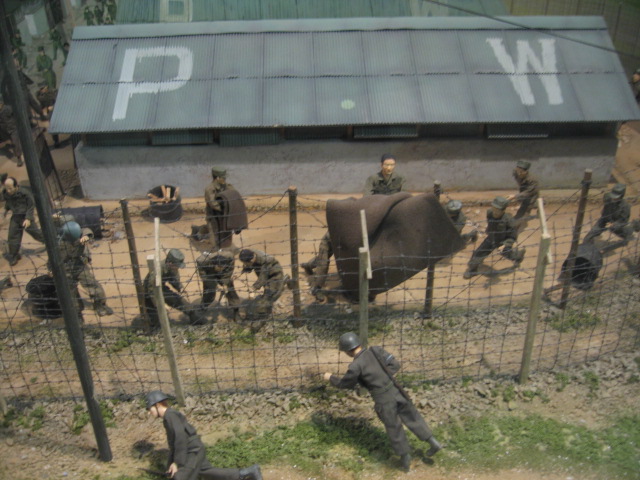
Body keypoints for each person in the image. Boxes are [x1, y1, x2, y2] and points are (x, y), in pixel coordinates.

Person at [323, 332, 442, 472]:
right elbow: (395, 365)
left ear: (348, 351)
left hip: (382, 399)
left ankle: (405, 460)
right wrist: (384, 377)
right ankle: (433, 443)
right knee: (412, 417)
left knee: (394, 427)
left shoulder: (355, 366)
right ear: (359, 343)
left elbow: (345, 384)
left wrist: (330, 378)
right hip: (396, 390)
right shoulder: (376, 350)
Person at [145, 390, 263, 480]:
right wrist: (170, 464)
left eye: (150, 408)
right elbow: (173, 444)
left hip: (192, 450)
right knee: (206, 471)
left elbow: (180, 439)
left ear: (158, 404)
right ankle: (248, 472)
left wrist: (177, 463)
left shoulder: (170, 416)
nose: (149, 412)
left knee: (181, 477)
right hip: (194, 448)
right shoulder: (169, 416)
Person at [58, 221, 114, 316]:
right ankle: (77, 312)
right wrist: (50, 269)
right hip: (65, 269)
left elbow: (87, 231)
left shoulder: (79, 233)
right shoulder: (58, 242)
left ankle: (100, 305)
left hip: (79, 265)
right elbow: (51, 258)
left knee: (92, 285)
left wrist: (86, 236)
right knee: (71, 292)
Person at [463, 196, 525, 279]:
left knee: (509, 255)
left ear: (503, 210)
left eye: (498, 210)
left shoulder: (509, 221)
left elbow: (512, 236)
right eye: (494, 208)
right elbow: (491, 224)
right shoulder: (489, 213)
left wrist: (505, 245)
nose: (495, 211)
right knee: (478, 253)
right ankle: (473, 270)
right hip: (491, 238)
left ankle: (518, 256)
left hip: (502, 242)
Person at [143, 249, 201, 329]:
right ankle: (157, 329)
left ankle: (195, 319)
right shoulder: (158, 270)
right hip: (149, 292)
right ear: (170, 263)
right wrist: (161, 304)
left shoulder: (172, 268)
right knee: (158, 319)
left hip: (162, 288)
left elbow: (174, 279)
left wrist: (180, 287)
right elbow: (151, 289)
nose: (178, 268)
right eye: (177, 265)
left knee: (184, 304)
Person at [203, 167, 247, 250]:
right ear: (218, 178)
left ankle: (225, 248)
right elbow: (213, 204)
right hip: (213, 216)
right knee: (214, 235)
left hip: (224, 216)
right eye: (223, 177)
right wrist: (226, 210)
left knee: (226, 233)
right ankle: (214, 252)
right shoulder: (210, 189)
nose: (225, 179)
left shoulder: (227, 186)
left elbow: (233, 194)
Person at [2, 177, 44, 266]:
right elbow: (8, 202)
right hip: (16, 217)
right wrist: (6, 210)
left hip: (25, 217)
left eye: (10, 188)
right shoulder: (6, 194)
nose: (8, 190)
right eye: (7, 188)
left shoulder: (24, 193)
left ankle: (50, 242)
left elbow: (30, 206)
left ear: (16, 186)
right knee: (12, 236)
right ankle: (14, 255)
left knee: (36, 233)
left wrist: (28, 218)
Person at [583, 183, 634, 252]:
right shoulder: (607, 197)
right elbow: (604, 195)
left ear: (621, 196)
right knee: (589, 236)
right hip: (605, 219)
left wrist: (614, 225)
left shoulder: (625, 207)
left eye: (616, 197)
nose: (613, 198)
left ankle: (629, 231)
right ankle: (587, 249)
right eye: (612, 196)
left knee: (623, 232)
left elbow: (623, 222)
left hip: (616, 224)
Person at [239, 248, 285, 315]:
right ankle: (270, 303)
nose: (246, 264)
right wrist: (244, 270)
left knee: (271, 294)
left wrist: (254, 288)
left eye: (247, 263)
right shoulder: (249, 254)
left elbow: (263, 277)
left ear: (251, 260)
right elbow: (248, 265)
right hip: (261, 271)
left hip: (274, 273)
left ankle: (267, 312)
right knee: (267, 289)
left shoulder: (265, 260)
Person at [300, 231, 333, 299]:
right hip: (326, 243)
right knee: (323, 264)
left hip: (336, 244)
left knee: (320, 259)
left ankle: (308, 265)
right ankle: (317, 288)